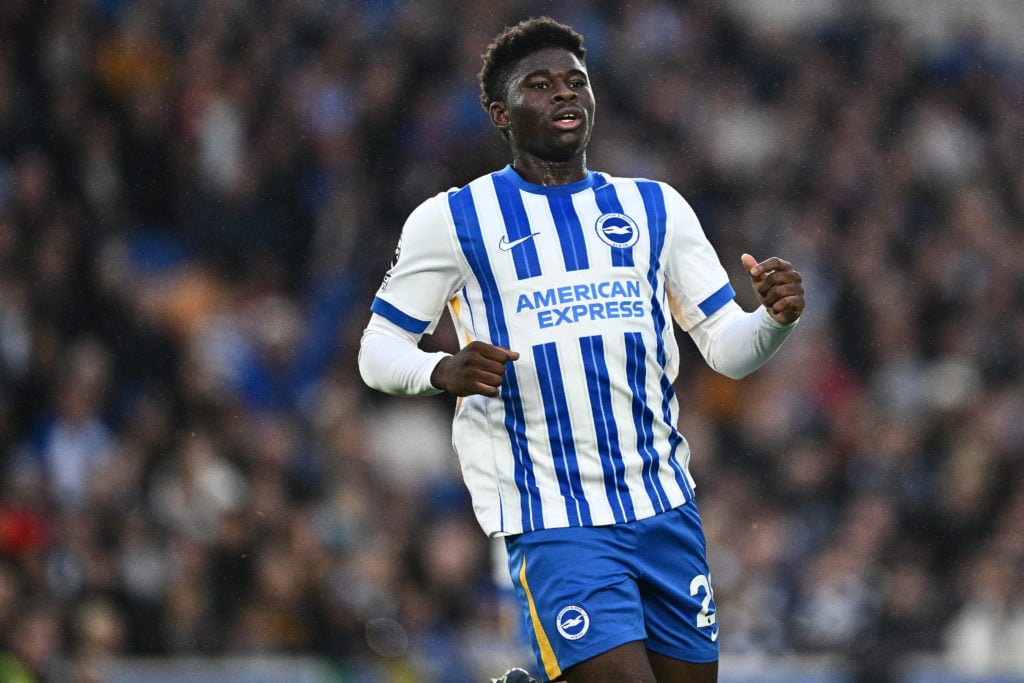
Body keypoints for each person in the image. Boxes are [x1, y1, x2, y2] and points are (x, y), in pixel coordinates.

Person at [358, 16, 805, 683]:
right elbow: (377, 350)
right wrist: (441, 369)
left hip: (664, 507)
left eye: (576, 82)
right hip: (555, 518)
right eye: (540, 85)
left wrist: (772, 319)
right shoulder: (452, 220)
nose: (565, 95)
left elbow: (727, 347)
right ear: (499, 112)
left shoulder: (656, 209)